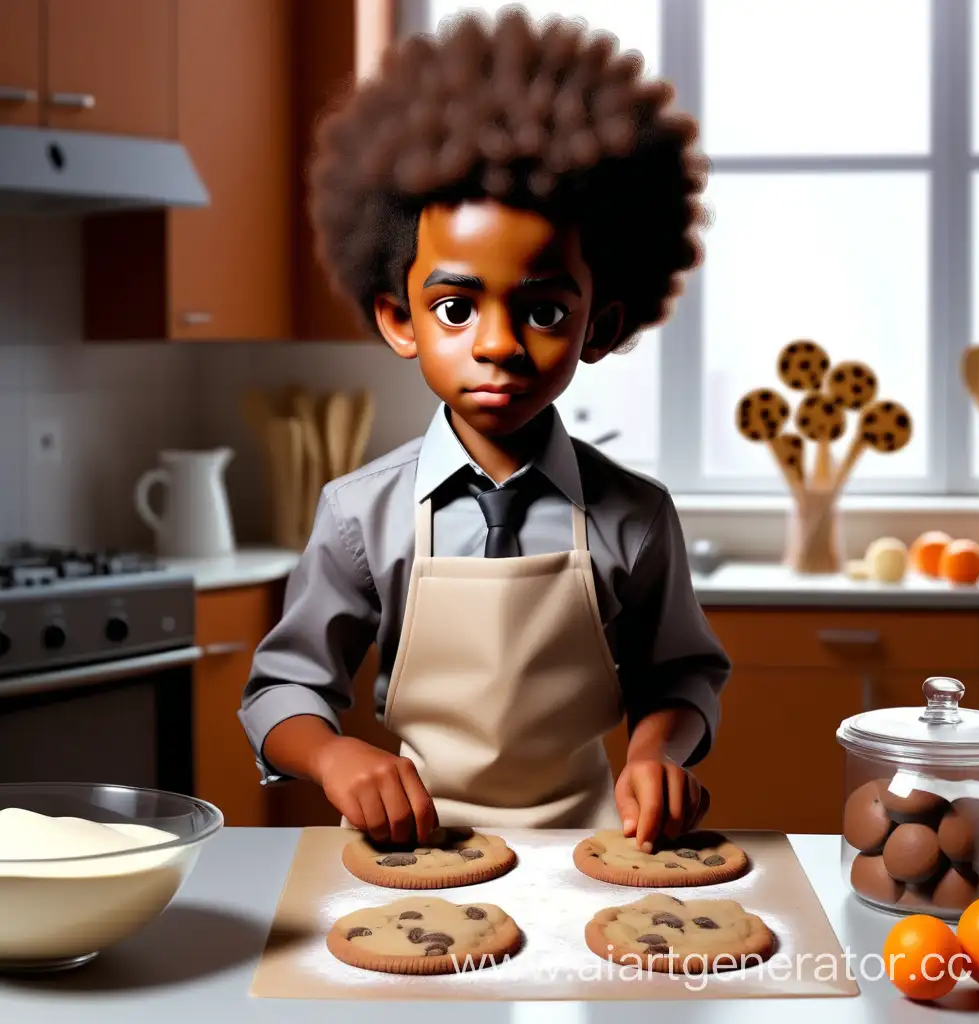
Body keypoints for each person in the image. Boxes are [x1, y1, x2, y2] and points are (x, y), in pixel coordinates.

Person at [238, 5, 731, 854]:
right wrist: (334, 756)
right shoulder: (362, 516)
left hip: (599, 858)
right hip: (412, 862)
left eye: (542, 309)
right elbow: (281, 689)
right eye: (457, 308)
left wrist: (657, 751)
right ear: (399, 321)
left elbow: (682, 675)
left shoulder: (636, 518)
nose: (498, 345)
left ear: (600, 326)